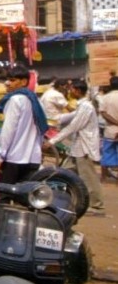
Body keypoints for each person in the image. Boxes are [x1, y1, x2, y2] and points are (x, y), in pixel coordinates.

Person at [45, 80, 104, 213]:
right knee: (64, 172)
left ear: (77, 90)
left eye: (72, 89)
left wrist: (52, 141)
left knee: (88, 176)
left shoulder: (86, 107)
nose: (70, 92)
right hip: (77, 148)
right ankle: (59, 198)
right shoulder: (81, 106)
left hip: (84, 148)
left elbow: (73, 126)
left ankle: (96, 204)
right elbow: (68, 118)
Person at [0, 66, 48, 184]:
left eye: (12, 80)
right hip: (33, 159)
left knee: (5, 197)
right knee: (26, 198)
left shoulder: (15, 100)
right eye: (7, 80)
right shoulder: (36, 101)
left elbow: (8, 131)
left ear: (23, 82)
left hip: (13, 158)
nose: (7, 83)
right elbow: (41, 130)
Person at [99, 75, 118, 180]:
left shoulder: (105, 98)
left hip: (110, 131)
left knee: (106, 153)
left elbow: (103, 113)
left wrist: (115, 123)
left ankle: (103, 177)